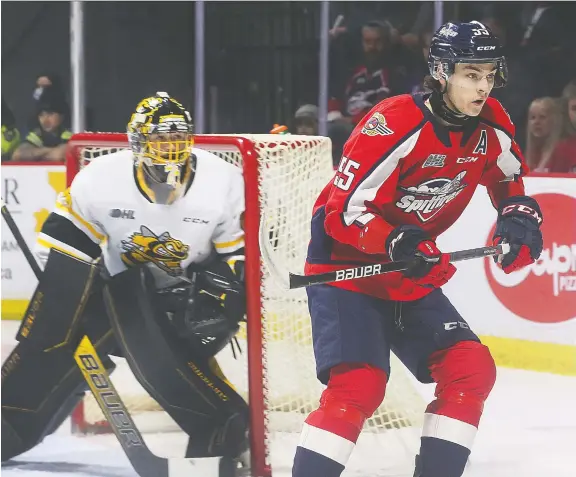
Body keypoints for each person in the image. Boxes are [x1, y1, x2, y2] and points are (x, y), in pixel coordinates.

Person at [293, 21, 544, 477]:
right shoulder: (394, 121)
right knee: (359, 386)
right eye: (471, 73)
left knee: (470, 369)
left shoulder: (493, 124)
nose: (483, 86)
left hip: (408, 270)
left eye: (489, 74)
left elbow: (507, 177)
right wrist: (394, 238)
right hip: (347, 269)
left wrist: (517, 214)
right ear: (443, 72)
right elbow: (342, 212)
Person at [2, 92, 249, 471]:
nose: (169, 148)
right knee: (51, 344)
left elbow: (237, 259)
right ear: (136, 141)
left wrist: (222, 302)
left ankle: (222, 431)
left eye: (176, 136)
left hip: (186, 305)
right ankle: (10, 423)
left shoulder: (222, 181)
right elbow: (67, 249)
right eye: (159, 138)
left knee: (174, 369)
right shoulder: (101, 179)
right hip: (120, 295)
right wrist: (53, 324)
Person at [12, 86, 72, 162]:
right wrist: (49, 151)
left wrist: (36, 154)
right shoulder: (38, 133)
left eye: (50, 114)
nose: (45, 120)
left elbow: (59, 155)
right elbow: (18, 154)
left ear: (62, 115)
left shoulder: (69, 133)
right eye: (41, 115)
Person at [524, 97, 563, 171]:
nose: (536, 122)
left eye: (542, 117)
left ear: (553, 121)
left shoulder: (561, 151)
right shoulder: (525, 154)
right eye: (533, 117)